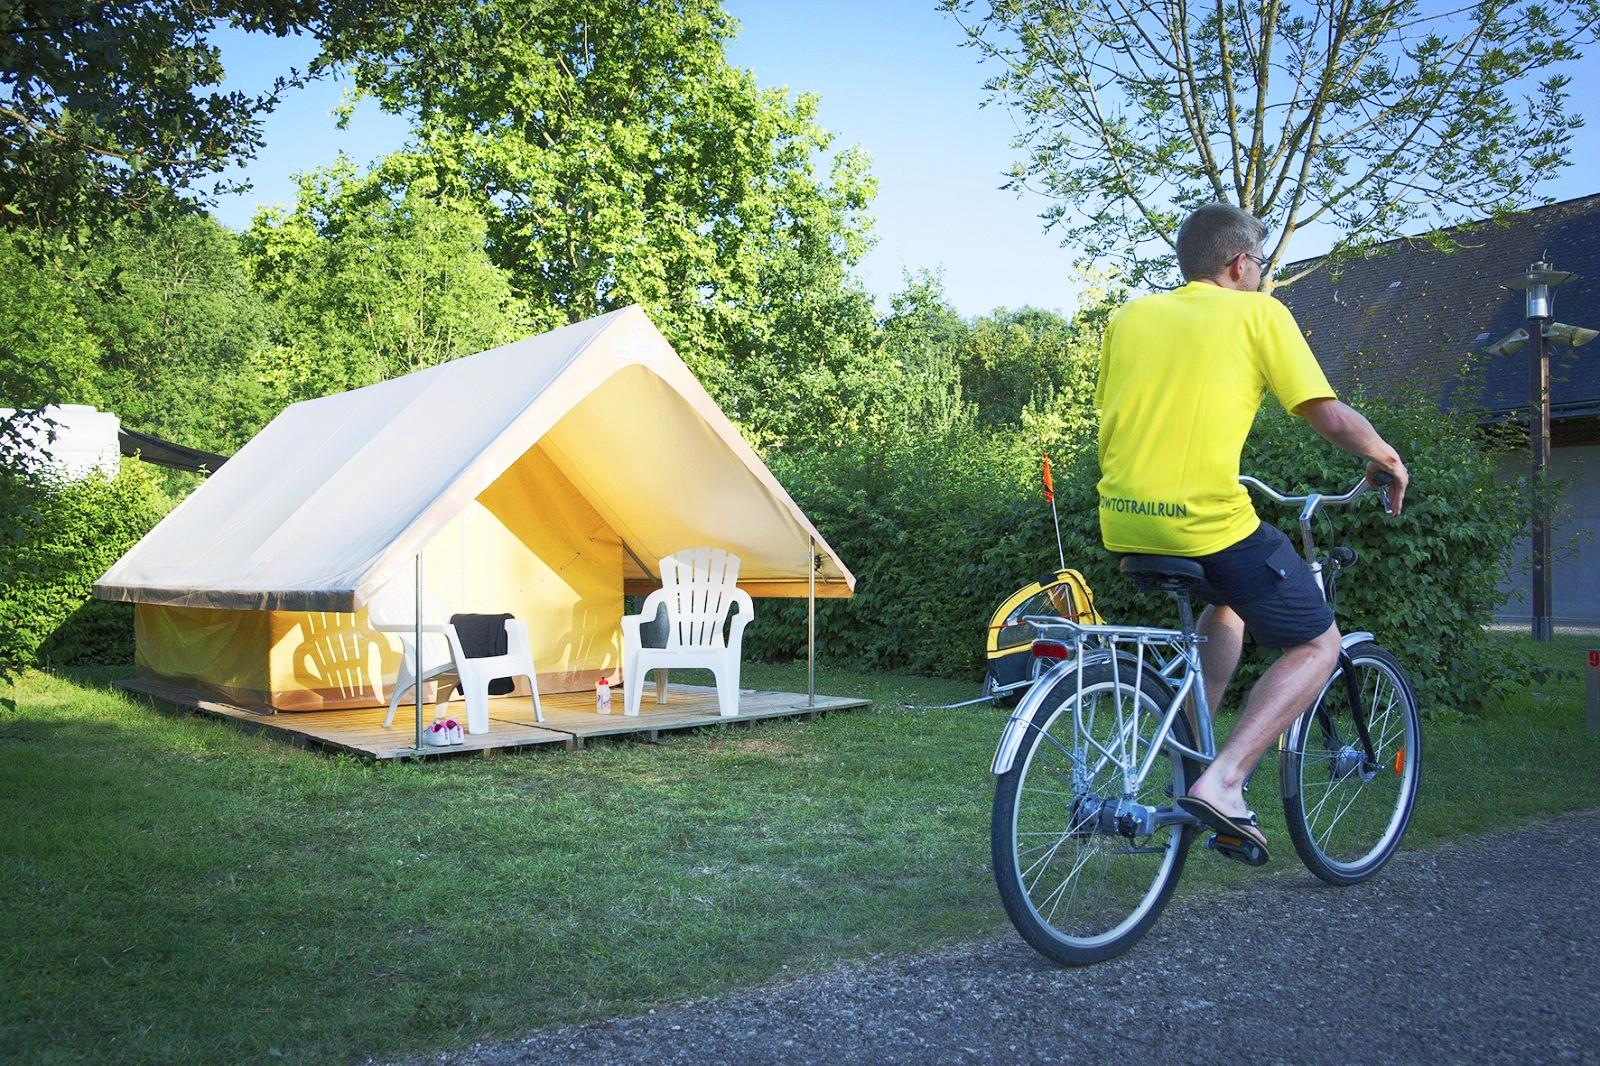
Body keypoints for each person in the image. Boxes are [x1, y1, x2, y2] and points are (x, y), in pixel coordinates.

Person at [1094, 202, 1409, 862]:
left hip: (1123, 520)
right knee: (1318, 645)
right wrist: (1385, 457)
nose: (1262, 274)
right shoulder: (1261, 313)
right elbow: (1327, 415)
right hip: (1205, 522)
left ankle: (1188, 755)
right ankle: (1225, 781)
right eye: (1260, 263)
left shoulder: (1130, 317)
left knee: (1231, 599)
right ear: (1240, 264)